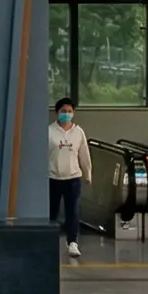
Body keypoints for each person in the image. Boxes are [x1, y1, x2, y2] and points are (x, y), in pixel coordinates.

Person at [47, 97, 89, 258]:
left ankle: (73, 242)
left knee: (73, 211)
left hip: (73, 178)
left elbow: (84, 155)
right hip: (53, 177)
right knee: (52, 212)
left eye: (70, 111)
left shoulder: (78, 132)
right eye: (63, 111)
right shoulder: (50, 131)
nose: (67, 114)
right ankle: (50, 241)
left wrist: (88, 173)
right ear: (57, 112)